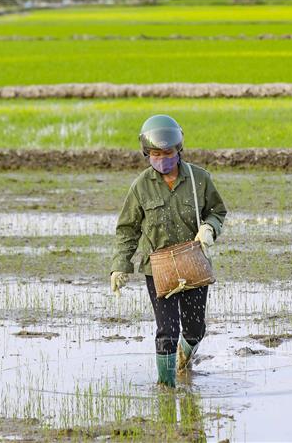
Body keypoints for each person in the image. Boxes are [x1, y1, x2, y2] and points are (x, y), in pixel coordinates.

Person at [110, 114, 227, 388]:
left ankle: (183, 361)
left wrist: (209, 229)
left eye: (168, 152)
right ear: (147, 153)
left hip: (193, 261)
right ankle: (166, 386)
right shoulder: (141, 187)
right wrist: (119, 265)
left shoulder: (200, 180)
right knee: (167, 330)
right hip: (159, 268)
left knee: (195, 329)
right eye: (155, 153)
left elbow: (217, 211)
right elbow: (127, 229)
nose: (162, 157)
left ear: (178, 150)